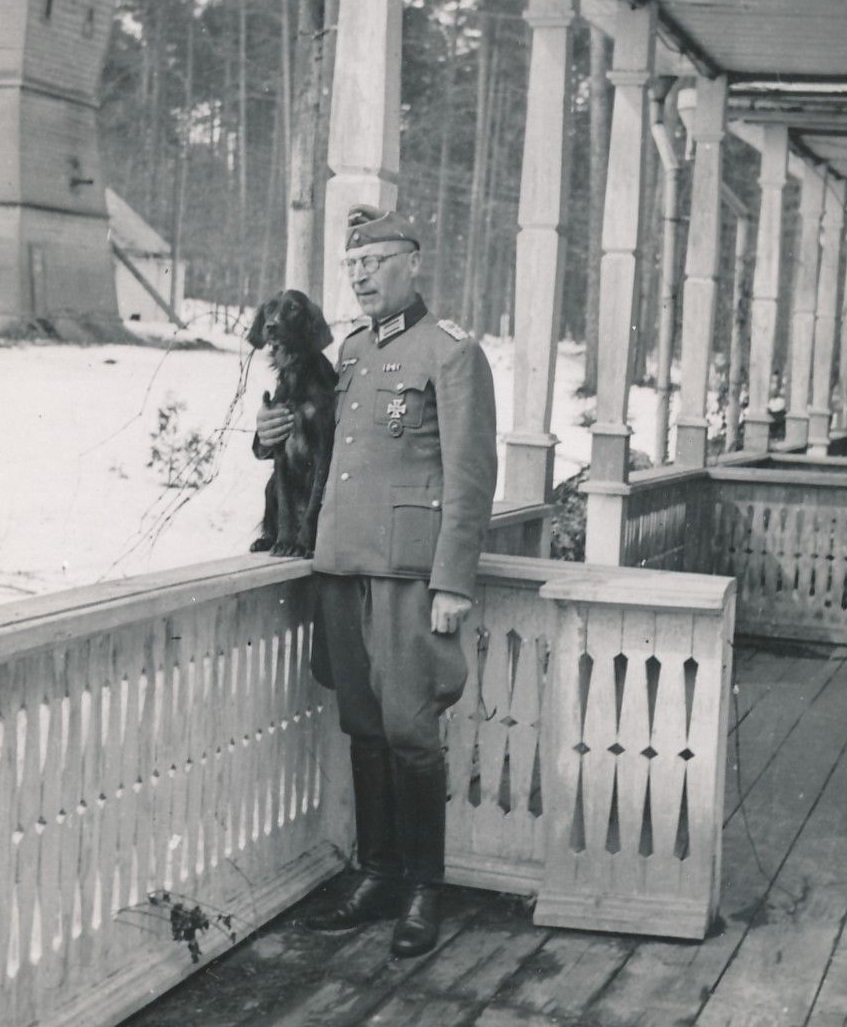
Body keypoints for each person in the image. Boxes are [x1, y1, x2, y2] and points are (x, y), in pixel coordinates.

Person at [255, 204, 498, 958]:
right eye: (353, 266)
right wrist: (266, 440)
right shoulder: (354, 352)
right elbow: (325, 452)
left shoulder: (450, 351)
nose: (361, 276)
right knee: (362, 724)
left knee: (411, 730)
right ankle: (379, 875)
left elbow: (470, 475)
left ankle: (424, 888)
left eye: (375, 262)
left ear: (411, 263)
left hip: (407, 571)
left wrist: (452, 579)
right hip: (340, 563)